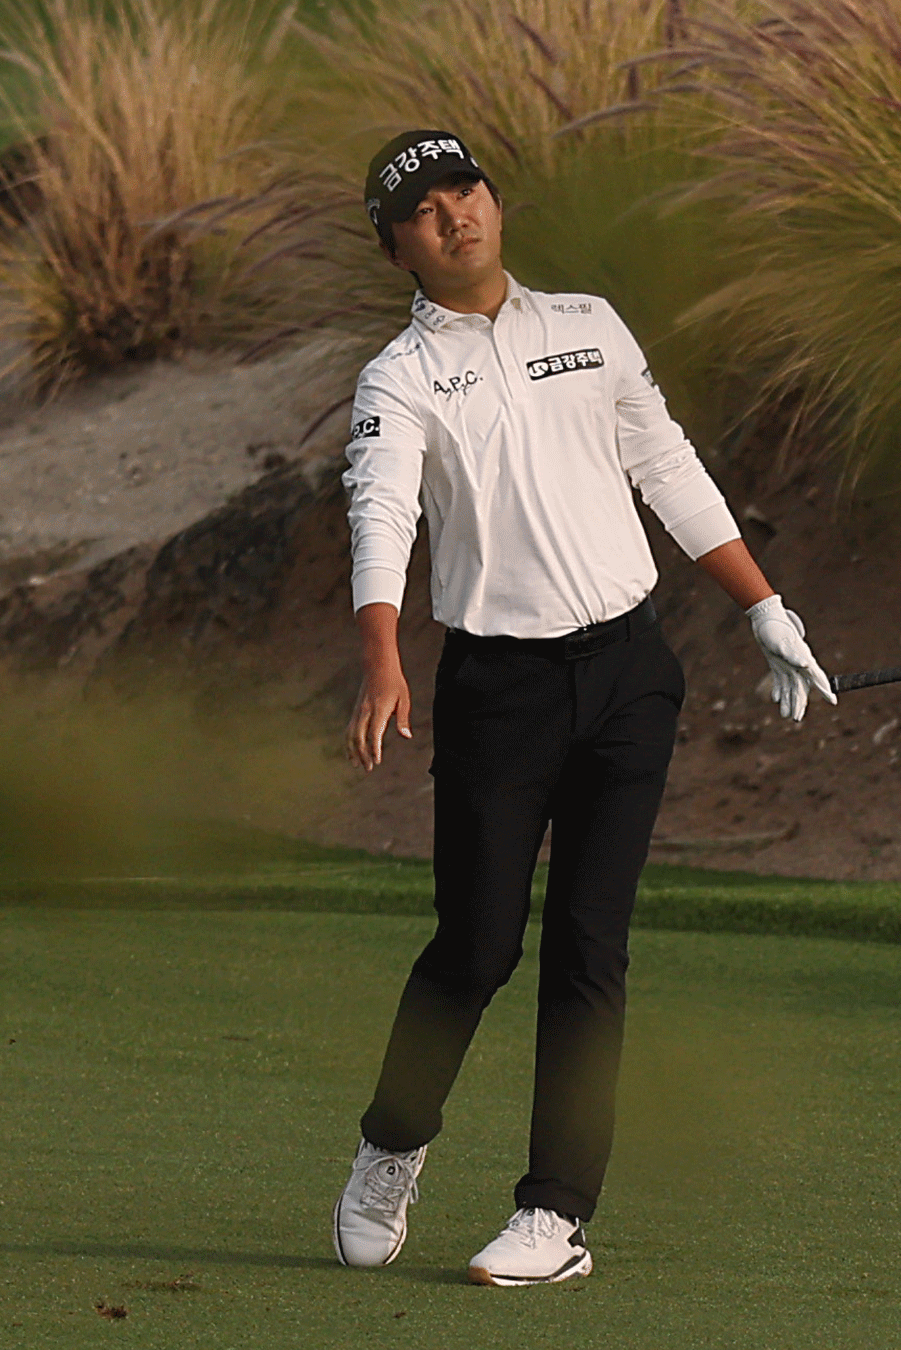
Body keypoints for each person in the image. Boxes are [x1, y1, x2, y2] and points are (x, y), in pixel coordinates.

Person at [331, 129, 834, 1285]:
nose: (455, 216)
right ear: (396, 249)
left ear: (494, 200)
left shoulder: (589, 326)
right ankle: (391, 1144)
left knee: (589, 947)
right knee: (475, 944)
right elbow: (382, 511)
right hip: (498, 691)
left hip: (627, 675)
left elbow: (668, 467)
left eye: (465, 191)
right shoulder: (399, 378)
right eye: (424, 212)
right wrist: (381, 655)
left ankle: (554, 1213)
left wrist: (763, 606)